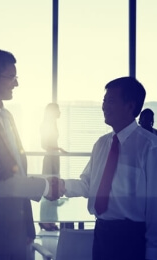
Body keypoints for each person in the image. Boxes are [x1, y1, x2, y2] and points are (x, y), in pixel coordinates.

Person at [0, 50, 60, 260]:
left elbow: (17, 169)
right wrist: (46, 186)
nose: (16, 84)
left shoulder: (8, 116)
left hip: (19, 226)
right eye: (11, 77)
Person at [61, 77, 157, 260]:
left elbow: (155, 207)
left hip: (132, 238)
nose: (104, 106)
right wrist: (59, 186)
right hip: (102, 234)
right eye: (104, 101)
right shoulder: (101, 144)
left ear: (130, 106)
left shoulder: (150, 147)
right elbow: (88, 184)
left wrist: (153, 251)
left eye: (111, 101)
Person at [39, 103, 67, 231]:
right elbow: (44, 145)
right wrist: (59, 148)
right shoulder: (46, 125)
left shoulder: (53, 124)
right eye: (58, 109)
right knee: (49, 187)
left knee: (54, 187)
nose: (59, 112)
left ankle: (51, 221)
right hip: (50, 158)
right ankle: (45, 221)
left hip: (55, 157)